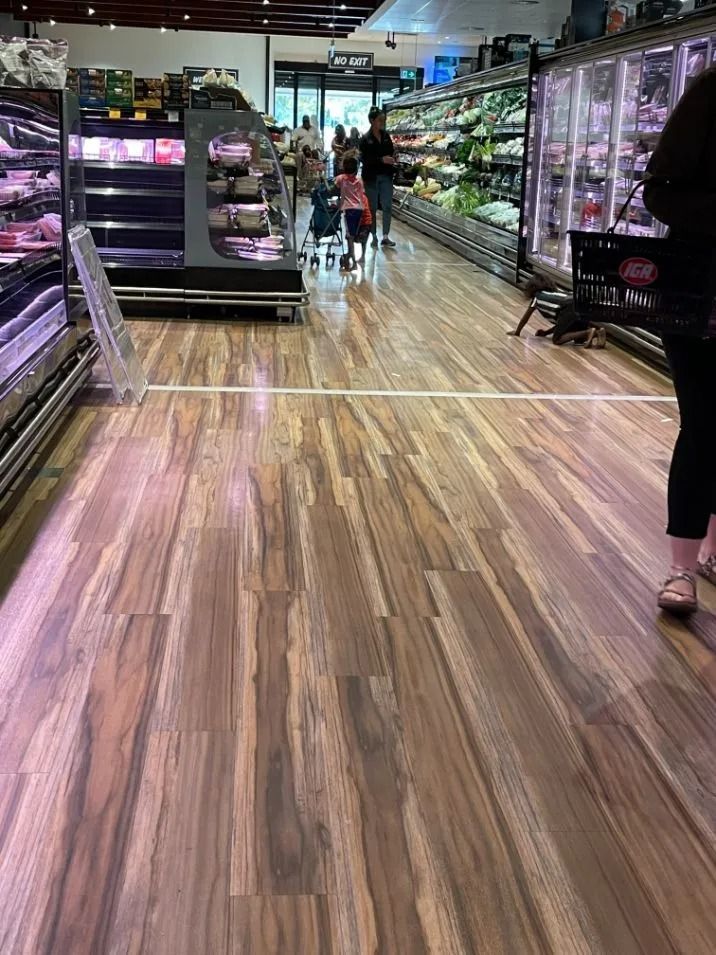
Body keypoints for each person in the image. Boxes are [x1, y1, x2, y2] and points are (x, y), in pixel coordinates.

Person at [642, 66, 716, 614]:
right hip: (701, 295)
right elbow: (659, 191)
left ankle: (710, 552)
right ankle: (681, 568)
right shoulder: (711, 93)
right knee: (705, 426)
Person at [359, 106, 396, 249]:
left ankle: (385, 236)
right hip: (371, 177)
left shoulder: (386, 136)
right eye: (380, 119)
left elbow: (391, 151)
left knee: (387, 206)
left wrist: (392, 158)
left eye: (383, 119)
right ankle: (373, 235)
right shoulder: (365, 139)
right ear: (371, 120)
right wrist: (381, 160)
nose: (382, 122)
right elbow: (365, 159)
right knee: (372, 207)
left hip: (386, 175)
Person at [334, 155, 367, 271]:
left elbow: (333, 187)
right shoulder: (359, 181)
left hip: (348, 209)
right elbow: (361, 194)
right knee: (352, 235)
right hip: (359, 209)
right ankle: (349, 256)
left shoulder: (341, 178)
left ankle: (352, 261)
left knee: (350, 237)